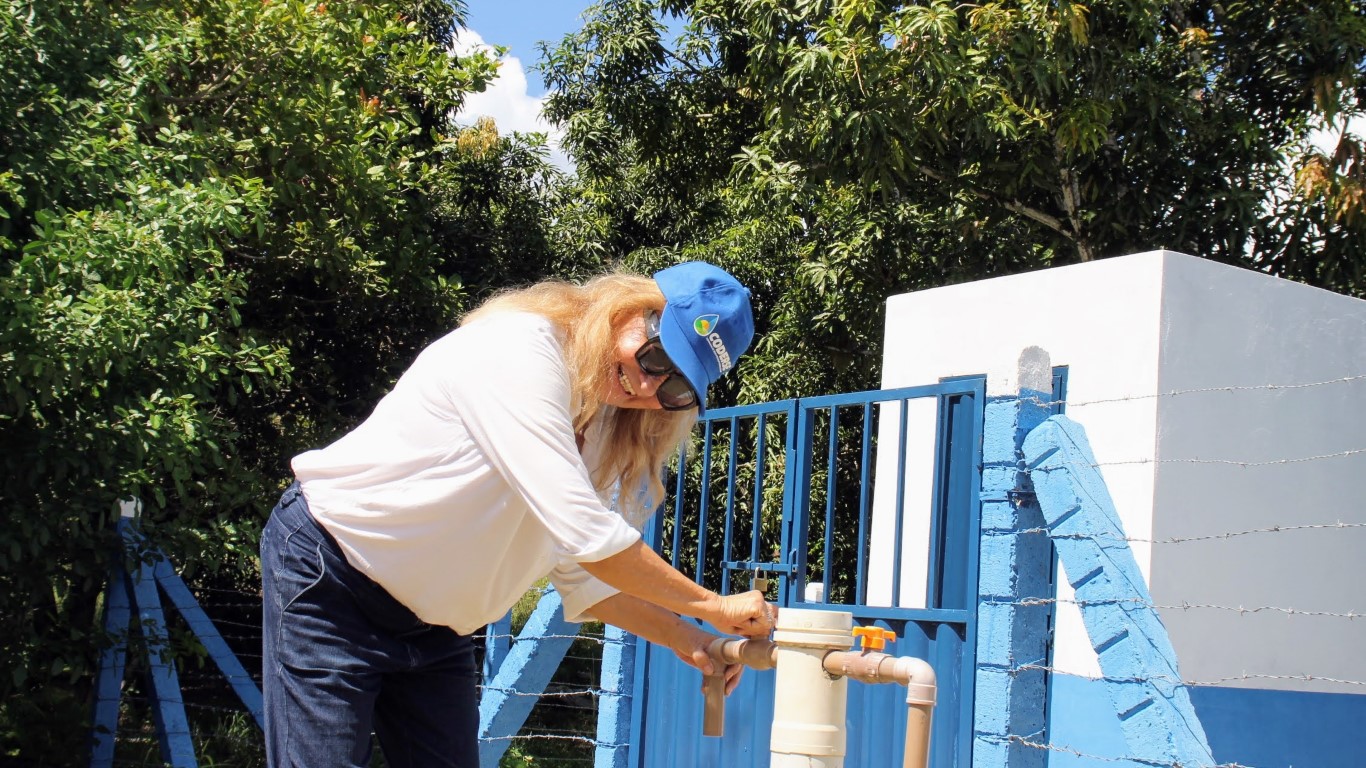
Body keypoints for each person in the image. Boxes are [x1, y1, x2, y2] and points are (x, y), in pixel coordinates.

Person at [260, 261, 774, 767]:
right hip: (335, 580)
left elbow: (583, 576)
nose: (647, 387)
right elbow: (590, 538)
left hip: (436, 630)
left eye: (675, 389)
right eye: (657, 356)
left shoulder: (600, 429)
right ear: (627, 309)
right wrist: (713, 606)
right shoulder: (518, 349)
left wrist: (687, 635)